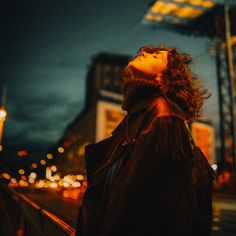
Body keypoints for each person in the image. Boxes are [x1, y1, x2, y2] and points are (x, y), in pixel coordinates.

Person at [76, 45, 216, 236]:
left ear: (162, 77)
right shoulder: (136, 117)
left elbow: (144, 208)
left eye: (155, 55)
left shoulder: (163, 118)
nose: (144, 54)